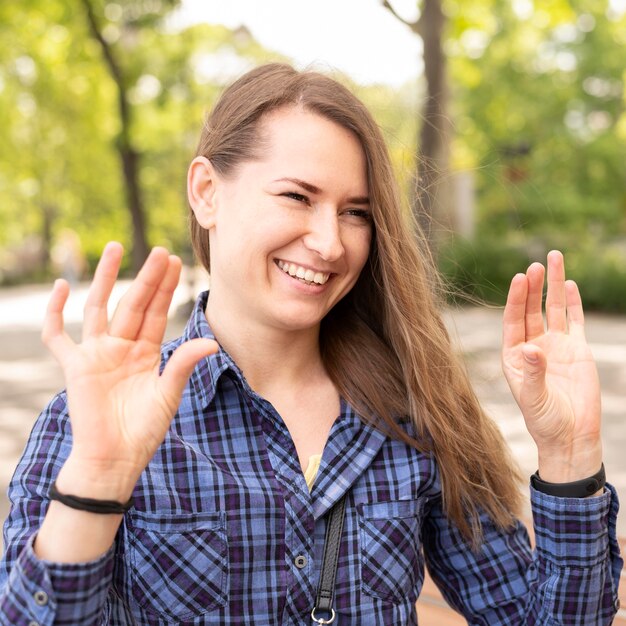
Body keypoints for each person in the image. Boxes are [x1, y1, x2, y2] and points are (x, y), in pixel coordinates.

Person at [0, 63, 622, 625]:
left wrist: (570, 457)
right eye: (297, 196)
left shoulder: (411, 413)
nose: (329, 243)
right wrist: (98, 482)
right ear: (207, 192)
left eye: (356, 212)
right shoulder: (89, 424)